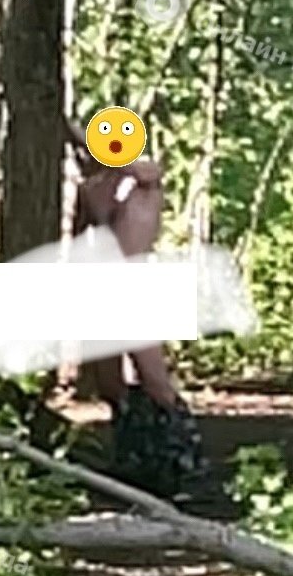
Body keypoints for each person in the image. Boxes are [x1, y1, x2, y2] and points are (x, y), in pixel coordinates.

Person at [71, 150, 208, 499]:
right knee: (109, 381)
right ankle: (134, 456)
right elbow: (82, 235)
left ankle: (184, 459)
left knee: (153, 377)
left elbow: (148, 170)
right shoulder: (93, 189)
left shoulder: (142, 181)